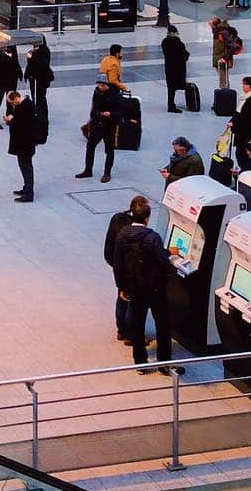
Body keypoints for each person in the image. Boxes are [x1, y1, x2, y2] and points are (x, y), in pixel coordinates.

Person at [113, 195, 182, 374]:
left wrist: (122, 287)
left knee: (137, 323)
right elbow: (162, 262)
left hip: (135, 288)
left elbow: (118, 264)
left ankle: (141, 363)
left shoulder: (122, 235)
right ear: (146, 218)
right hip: (155, 288)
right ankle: (164, 362)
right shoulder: (152, 237)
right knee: (162, 324)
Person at [104, 198, 141, 344]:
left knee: (122, 295)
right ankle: (129, 333)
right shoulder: (133, 233)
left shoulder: (118, 219)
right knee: (130, 299)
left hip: (115, 261)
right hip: (127, 267)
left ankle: (122, 329)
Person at [77, 81, 122, 183]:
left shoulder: (115, 94)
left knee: (109, 149)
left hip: (110, 126)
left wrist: (110, 114)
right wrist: (94, 117)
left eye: (102, 85)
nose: (100, 87)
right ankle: (88, 170)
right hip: (97, 124)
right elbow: (94, 107)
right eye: (99, 85)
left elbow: (120, 112)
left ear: (106, 85)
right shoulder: (97, 92)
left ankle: (107, 173)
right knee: (90, 146)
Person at [4, 89, 38, 203]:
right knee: (24, 165)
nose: (13, 105)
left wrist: (10, 120)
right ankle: (26, 188)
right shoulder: (24, 105)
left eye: (12, 103)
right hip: (24, 143)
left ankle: (29, 193)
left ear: (17, 98)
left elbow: (21, 124)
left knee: (26, 166)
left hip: (25, 143)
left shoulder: (25, 107)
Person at [0, 45, 22, 130]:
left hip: (12, 76)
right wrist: (8, 56)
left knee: (11, 98)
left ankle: (9, 117)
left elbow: (15, 58)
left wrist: (19, 71)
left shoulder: (12, 44)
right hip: (1, 77)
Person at [160, 25, 189, 114]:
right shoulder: (178, 42)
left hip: (169, 67)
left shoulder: (164, 42)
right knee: (183, 85)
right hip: (179, 68)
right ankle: (190, 102)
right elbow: (185, 54)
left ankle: (171, 104)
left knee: (171, 88)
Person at [24, 37, 54, 113]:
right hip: (34, 78)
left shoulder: (45, 51)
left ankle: (41, 114)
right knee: (35, 97)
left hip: (41, 79)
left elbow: (42, 64)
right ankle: (37, 112)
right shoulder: (34, 51)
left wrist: (31, 58)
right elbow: (29, 65)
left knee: (40, 98)